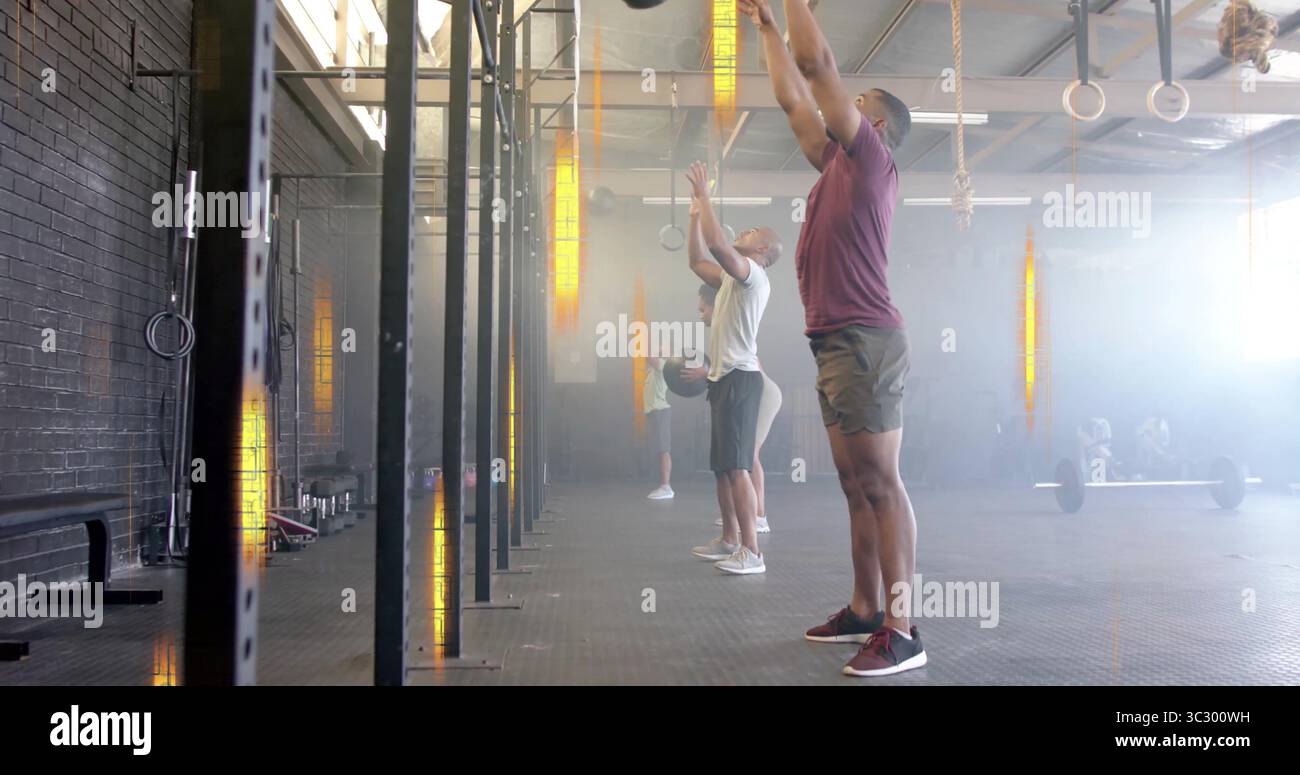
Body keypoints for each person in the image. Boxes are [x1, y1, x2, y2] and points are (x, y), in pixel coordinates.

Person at [743, 0, 925, 675]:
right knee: (854, 485)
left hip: (866, 341)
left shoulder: (871, 160)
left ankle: (904, 627)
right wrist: (766, 26)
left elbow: (817, 67)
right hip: (832, 342)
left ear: (872, 123)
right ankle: (865, 608)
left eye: (856, 100)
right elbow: (796, 98)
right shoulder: (832, 169)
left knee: (882, 482)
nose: (837, 105)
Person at [679, 162, 780, 576]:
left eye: (752, 232)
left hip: (742, 379)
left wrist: (705, 195)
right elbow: (697, 259)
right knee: (723, 468)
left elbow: (719, 244)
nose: (744, 233)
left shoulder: (752, 276)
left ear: (761, 251)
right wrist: (692, 215)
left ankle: (752, 552)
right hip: (722, 381)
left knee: (738, 467)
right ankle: (730, 540)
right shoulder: (730, 280)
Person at [644, 357, 674, 499]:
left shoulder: (663, 365)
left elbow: (650, 357)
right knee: (659, 449)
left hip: (660, 411)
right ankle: (663, 485)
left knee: (664, 449)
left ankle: (666, 487)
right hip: (654, 412)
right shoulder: (651, 372)